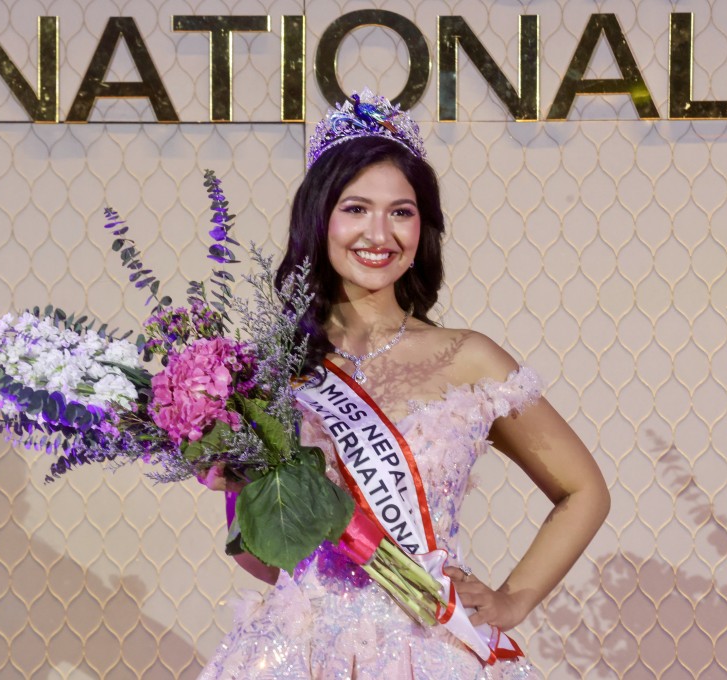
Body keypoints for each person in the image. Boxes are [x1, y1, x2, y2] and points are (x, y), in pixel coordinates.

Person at [197, 89, 610, 679]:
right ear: (320, 218)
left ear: (423, 226)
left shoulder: (470, 358)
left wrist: (513, 600)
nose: (379, 232)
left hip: (428, 644)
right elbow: (267, 564)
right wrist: (232, 483)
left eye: (401, 211)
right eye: (356, 208)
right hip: (298, 651)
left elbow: (584, 490)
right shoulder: (269, 372)